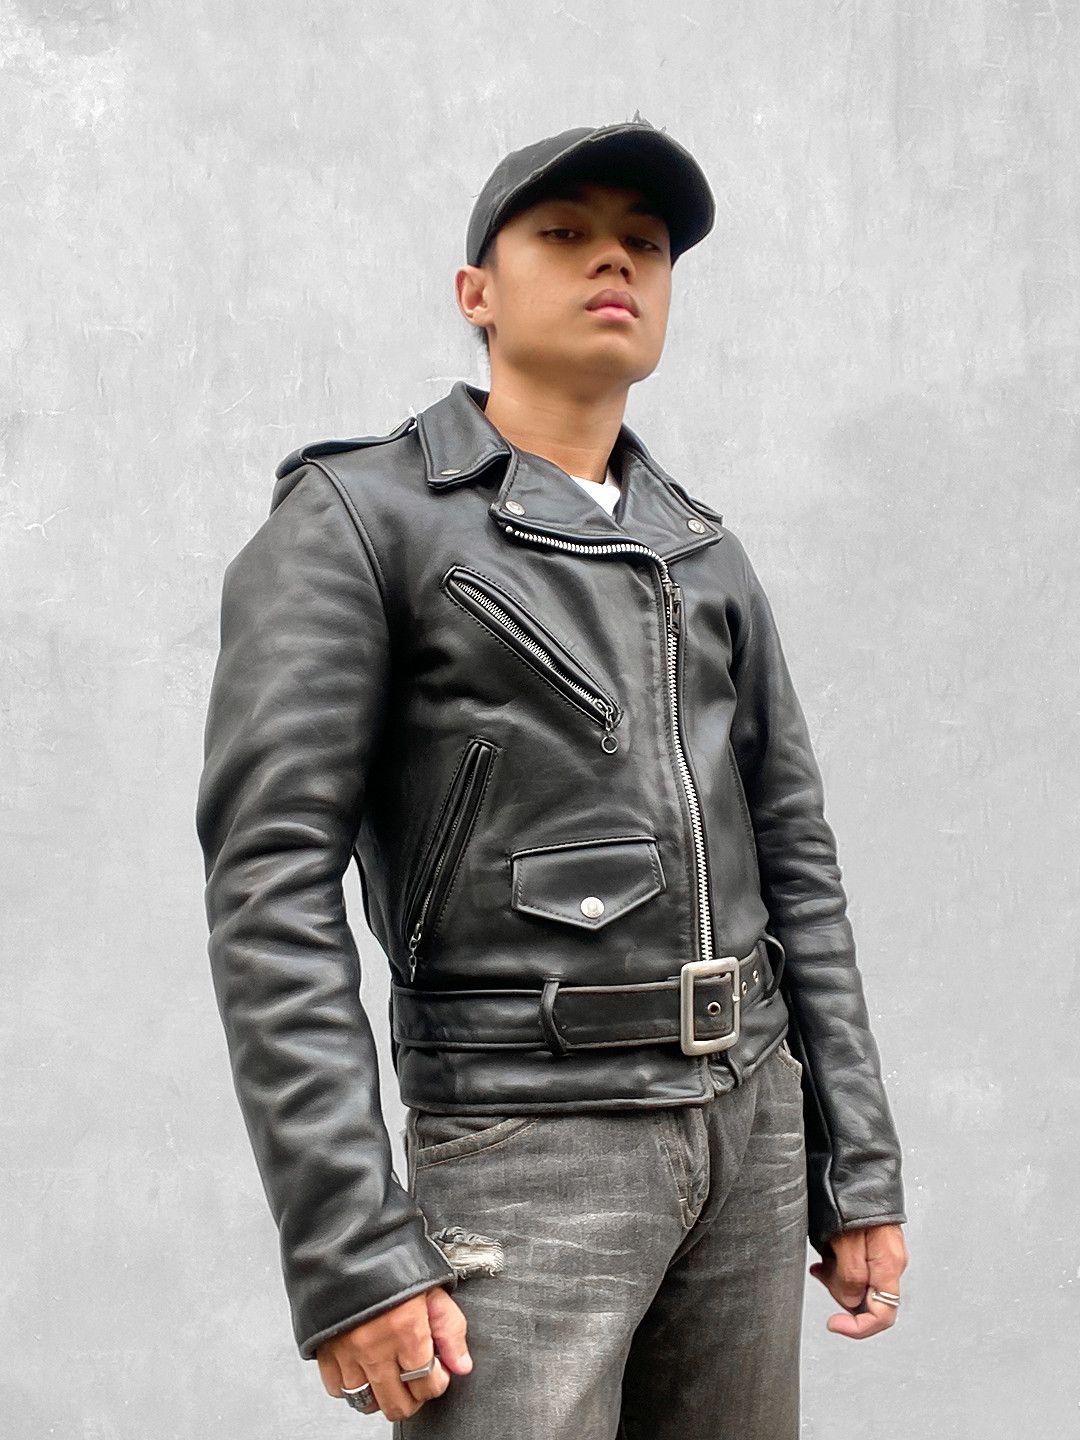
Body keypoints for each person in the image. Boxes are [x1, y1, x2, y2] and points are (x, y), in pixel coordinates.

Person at [195, 116, 909, 1439]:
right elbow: (270, 891)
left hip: (752, 1126)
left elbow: (797, 860)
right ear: (477, 291)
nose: (615, 261)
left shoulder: (704, 552)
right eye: (566, 233)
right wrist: (351, 1247)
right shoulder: (358, 522)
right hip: (528, 1138)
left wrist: (855, 1162)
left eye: (646, 244)